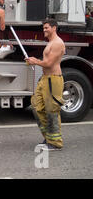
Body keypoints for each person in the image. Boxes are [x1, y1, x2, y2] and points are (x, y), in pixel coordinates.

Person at [26, 19, 65, 151]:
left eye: (47, 27)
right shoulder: (50, 43)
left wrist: (35, 61)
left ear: (54, 28)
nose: (44, 30)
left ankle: (55, 143)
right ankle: (48, 137)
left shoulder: (58, 43)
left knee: (52, 111)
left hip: (54, 80)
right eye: (43, 28)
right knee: (36, 107)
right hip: (45, 79)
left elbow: (49, 64)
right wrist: (33, 61)